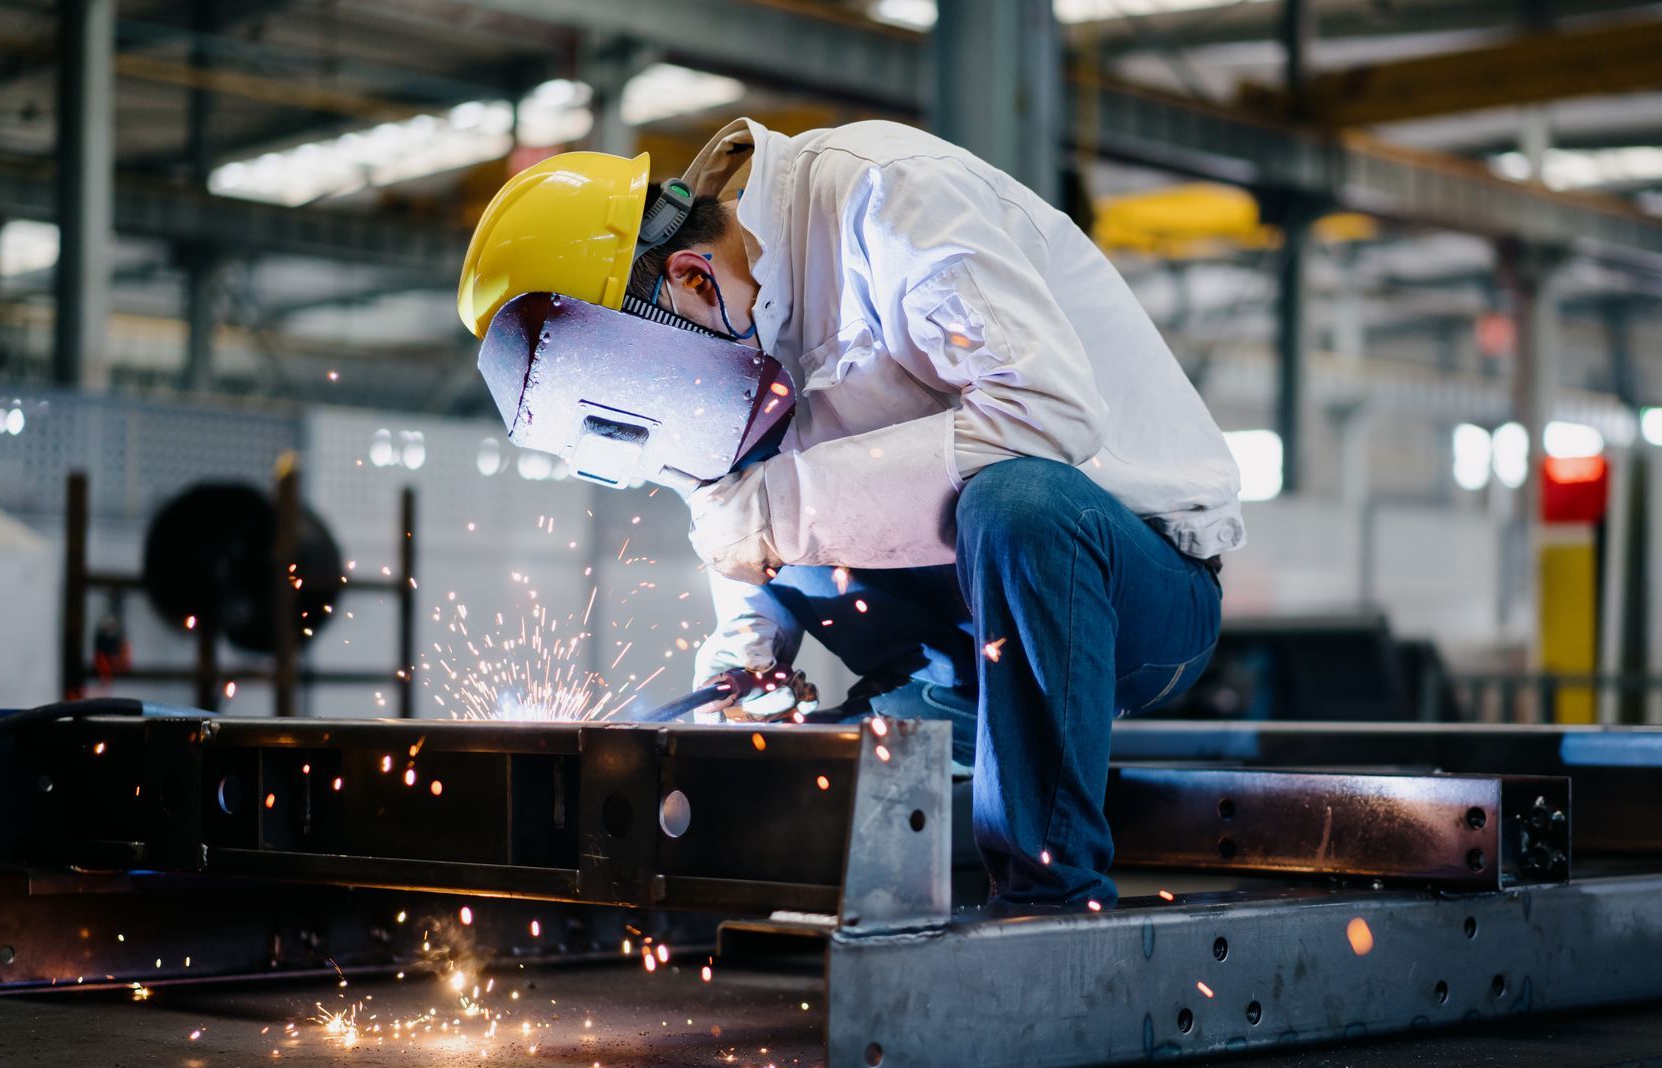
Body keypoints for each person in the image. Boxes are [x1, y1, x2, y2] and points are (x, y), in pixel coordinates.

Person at [457, 118, 1243, 910]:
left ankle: (1052, 898)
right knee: (820, 732)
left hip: (1130, 590)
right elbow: (735, 502)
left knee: (1018, 502)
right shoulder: (730, 321)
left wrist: (772, 511)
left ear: (692, 277)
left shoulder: (891, 199)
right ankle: (943, 717)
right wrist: (747, 650)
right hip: (959, 636)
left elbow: (1048, 418)